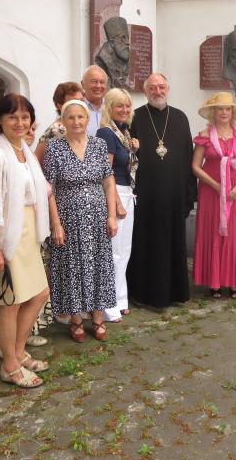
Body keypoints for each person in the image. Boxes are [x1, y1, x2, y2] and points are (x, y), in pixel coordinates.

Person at [0, 94, 51, 388]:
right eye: (12, 117)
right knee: (11, 302)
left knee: (39, 294)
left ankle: (15, 351)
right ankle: (9, 366)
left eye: (25, 117)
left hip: (27, 232)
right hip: (7, 235)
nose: (19, 122)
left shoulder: (24, 151)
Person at [43, 100, 118, 342]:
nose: (76, 122)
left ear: (87, 119)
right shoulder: (54, 147)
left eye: (80, 117)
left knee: (98, 265)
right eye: (71, 117)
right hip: (68, 218)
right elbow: (49, 189)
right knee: (71, 268)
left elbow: (108, 181)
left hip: (97, 218)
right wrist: (56, 224)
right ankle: (75, 320)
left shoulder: (99, 145)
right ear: (63, 121)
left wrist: (111, 216)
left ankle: (98, 318)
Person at [128, 73, 196, 308]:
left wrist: (190, 193)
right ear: (145, 91)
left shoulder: (180, 117)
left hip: (174, 194)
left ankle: (174, 292)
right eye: (153, 88)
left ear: (168, 89)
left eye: (162, 87)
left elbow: (188, 156)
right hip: (145, 195)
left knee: (172, 243)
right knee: (145, 244)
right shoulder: (135, 117)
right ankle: (144, 294)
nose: (158, 91)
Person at [192, 92, 236, 298]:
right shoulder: (204, 136)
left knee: (234, 235)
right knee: (213, 233)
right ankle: (215, 282)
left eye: (228, 109)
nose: (224, 112)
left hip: (235, 194)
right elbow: (195, 166)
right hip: (211, 192)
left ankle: (234, 281)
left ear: (233, 112)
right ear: (213, 112)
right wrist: (217, 186)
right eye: (220, 109)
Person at [96, 88, 139, 322]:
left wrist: (134, 149)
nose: (124, 109)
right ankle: (107, 305)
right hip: (116, 194)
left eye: (127, 105)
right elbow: (106, 171)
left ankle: (120, 299)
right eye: (119, 105)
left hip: (127, 192)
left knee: (124, 251)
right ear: (109, 108)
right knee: (112, 252)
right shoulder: (106, 132)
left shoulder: (123, 132)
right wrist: (116, 203)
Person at [34, 81, 85, 164]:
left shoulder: (77, 126)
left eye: (82, 100)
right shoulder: (56, 130)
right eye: (74, 102)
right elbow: (38, 161)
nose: (80, 105)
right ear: (60, 105)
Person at [95, 16, 131, 89]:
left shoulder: (124, 61)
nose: (128, 43)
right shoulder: (103, 58)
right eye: (122, 38)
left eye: (128, 38)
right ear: (112, 43)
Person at [81, 65, 108, 136]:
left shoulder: (112, 108)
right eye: (94, 82)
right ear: (83, 84)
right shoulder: (73, 108)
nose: (98, 86)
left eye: (102, 82)